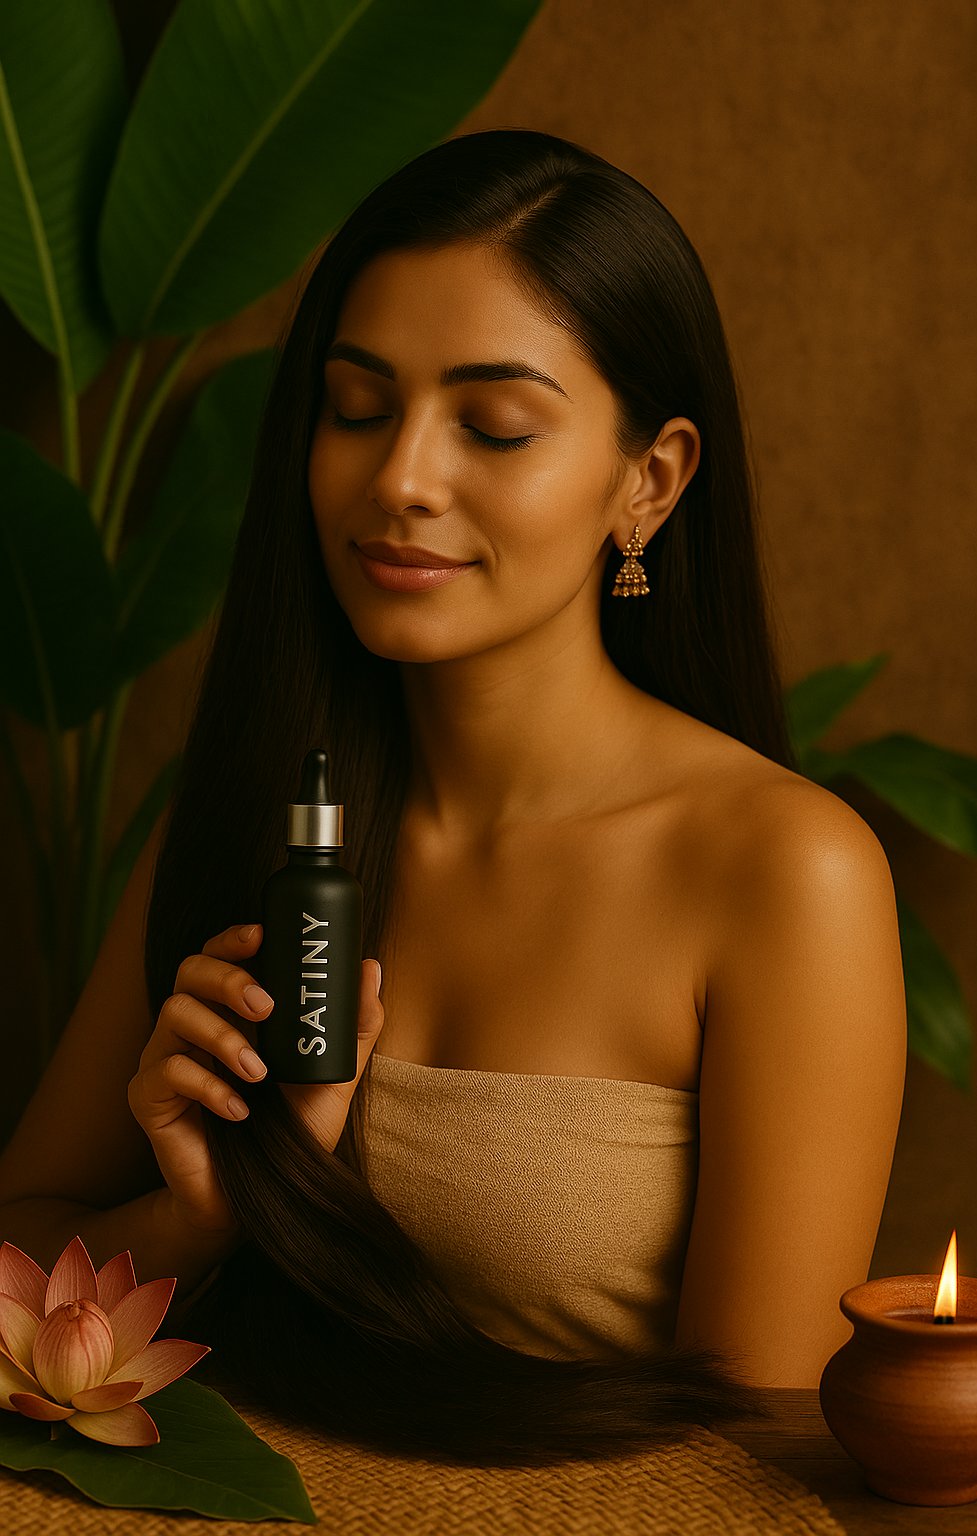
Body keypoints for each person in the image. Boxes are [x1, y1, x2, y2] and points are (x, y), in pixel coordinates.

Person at [0, 128, 906, 1466]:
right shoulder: (252, 806)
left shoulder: (782, 872)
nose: (400, 479)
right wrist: (194, 1218)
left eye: (494, 426)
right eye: (357, 409)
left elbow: (747, 1465)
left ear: (647, 481)